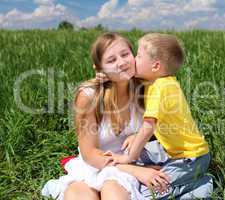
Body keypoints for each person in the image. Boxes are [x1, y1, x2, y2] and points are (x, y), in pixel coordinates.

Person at [41, 32, 170, 200]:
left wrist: (138, 135)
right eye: (111, 60)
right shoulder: (89, 96)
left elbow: (162, 127)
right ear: (99, 68)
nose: (122, 63)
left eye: (125, 55)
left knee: (113, 193)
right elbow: (90, 154)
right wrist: (136, 171)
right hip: (93, 166)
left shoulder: (146, 88)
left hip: (129, 164)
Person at [104, 33, 213, 199]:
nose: (134, 59)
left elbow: (149, 127)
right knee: (137, 160)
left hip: (190, 160)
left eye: (139, 56)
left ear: (155, 66)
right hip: (175, 152)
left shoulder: (160, 89)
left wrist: (128, 158)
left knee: (147, 193)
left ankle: (202, 185)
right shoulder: (160, 83)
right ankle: (184, 179)